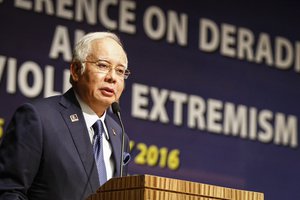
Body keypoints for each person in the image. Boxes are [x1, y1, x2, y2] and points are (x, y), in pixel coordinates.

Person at [0, 32, 131, 200]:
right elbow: (8, 192)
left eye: (120, 71)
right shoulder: (39, 119)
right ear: (76, 70)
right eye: (103, 65)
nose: (112, 77)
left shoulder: (119, 135)